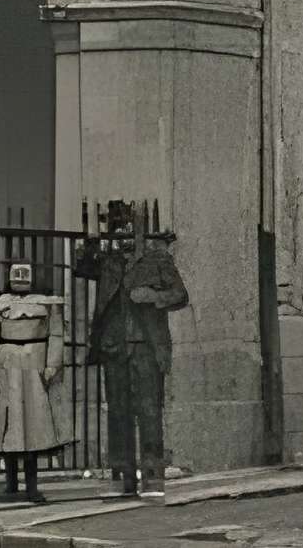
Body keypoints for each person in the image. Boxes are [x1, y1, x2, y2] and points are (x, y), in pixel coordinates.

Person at [77, 200, 191, 501]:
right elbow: (83, 268)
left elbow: (180, 295)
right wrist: (89, 242)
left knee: (150, 412)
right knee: (118, 413)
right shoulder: (108, 263)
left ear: (139, 234)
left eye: (129, 230)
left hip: (146, 349)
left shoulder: (157, 261)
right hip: (115, 348)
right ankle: (121, 477)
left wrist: (153, 296)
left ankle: (153, 477)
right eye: (119, 231)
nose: (124, 236)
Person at [0, 258, 68, 503]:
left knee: (33, 427)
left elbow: (57, 334)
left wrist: (52, 365)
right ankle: (11, 483)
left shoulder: (48, 305)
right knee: (10, 425)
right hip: (7, 367)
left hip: (35, 368)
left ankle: (31, 486)